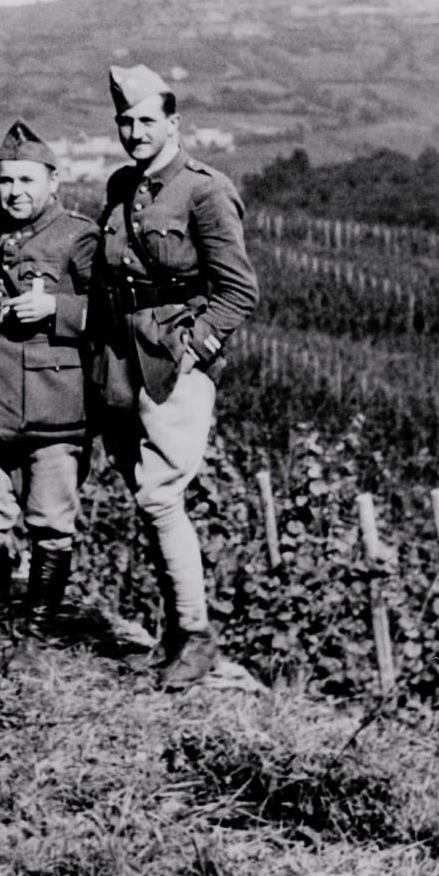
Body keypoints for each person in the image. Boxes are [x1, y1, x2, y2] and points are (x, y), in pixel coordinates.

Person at [92, 65, 259, 691]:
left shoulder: (204, 191)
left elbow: (239, 292)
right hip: (121, 360)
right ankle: (173, 637)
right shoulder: (122, 186)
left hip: (174, 361)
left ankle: (195, 635)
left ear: (173, 123)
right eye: (125, 122)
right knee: (148, 497)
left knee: (162, 495)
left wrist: (193, 349)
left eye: (146, 121)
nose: (134, 132)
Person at [0, 120, 98, 669]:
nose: (15, 192)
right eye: (6, 180)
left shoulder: (80, 238)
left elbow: (114, 316)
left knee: (51, 521)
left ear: (53, 182)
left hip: (54, 403)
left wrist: (59, 310)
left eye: (28, 180)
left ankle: (34, 639)